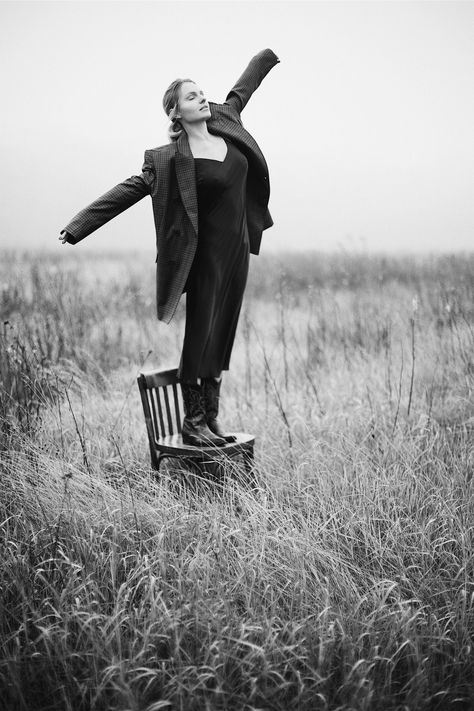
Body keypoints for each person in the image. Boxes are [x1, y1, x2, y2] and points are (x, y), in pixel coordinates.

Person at [59, 48, 280, 446]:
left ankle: (210, 418)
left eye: (201, 92)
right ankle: (192, 422)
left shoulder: (227, 119)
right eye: (191, 95)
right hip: (204, 256)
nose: (202, 98)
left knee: (222, 331)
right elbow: (129, 190)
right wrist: (78, 227)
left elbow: (242, 88)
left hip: (237, 250)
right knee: (200, 332)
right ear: (176, 113)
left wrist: (266, 57)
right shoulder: (167, 159)